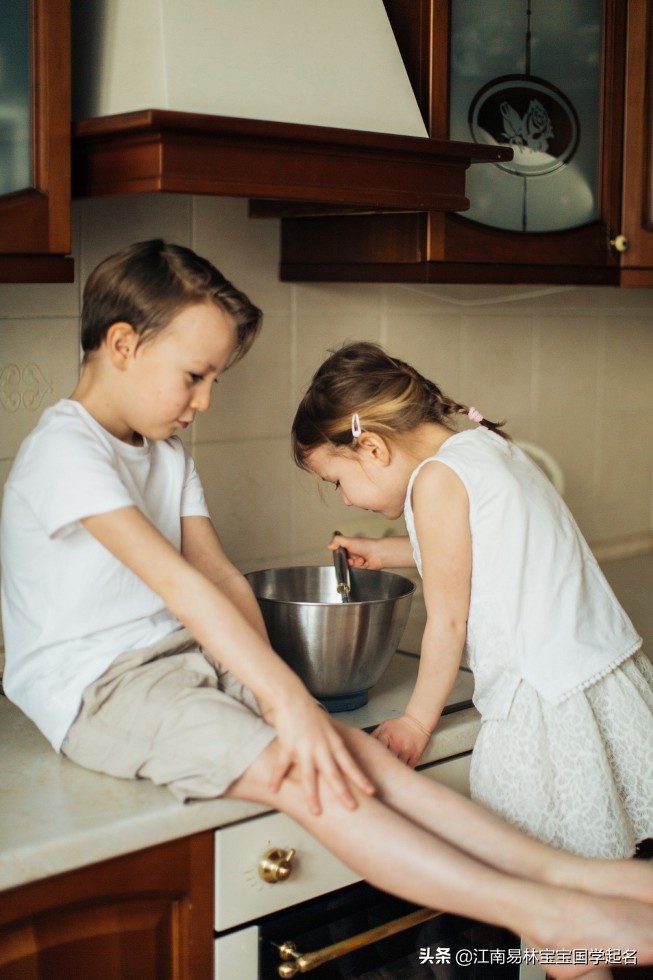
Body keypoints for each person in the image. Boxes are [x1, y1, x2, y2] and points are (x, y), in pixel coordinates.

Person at [2, 244, 653, 980]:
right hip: (105, 687)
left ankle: (579, 878)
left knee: (352, 755)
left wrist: (286, 695)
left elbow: (221, 577)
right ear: (123, 344)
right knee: (308, 775)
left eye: (213, 380)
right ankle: (546, 912)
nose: (205, 400)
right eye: (195, 376)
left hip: (188, 659)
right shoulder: (66, 450)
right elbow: (182, 585)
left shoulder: (168, 455)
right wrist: (287, 703)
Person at [291, 341, 653, 864]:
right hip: (598, 678)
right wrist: (386, 552)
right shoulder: (485, 447)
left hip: (543, 702)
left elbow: (448, 621)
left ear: (372, 448)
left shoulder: (435, 481)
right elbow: (479, 545)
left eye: (337, 481)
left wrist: (416, 722)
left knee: (543, 879)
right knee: (607, 875)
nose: (346, 498)